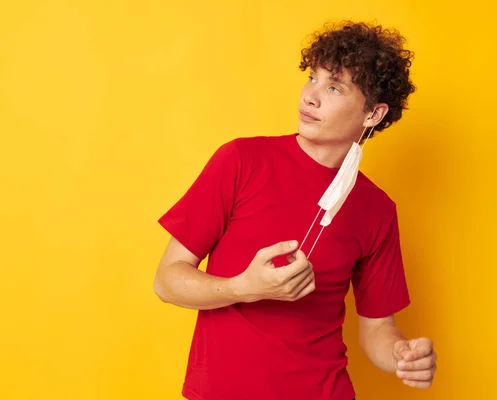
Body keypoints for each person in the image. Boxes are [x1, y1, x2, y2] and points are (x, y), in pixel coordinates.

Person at [154, 21, 437, 400]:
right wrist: (245, 287)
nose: (310, 97)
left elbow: (376, 330)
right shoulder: (241, 161)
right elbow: (167, 281)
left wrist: (400, 354)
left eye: (334, 87)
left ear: (373, 114)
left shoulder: (377, 210)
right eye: (312, 78)